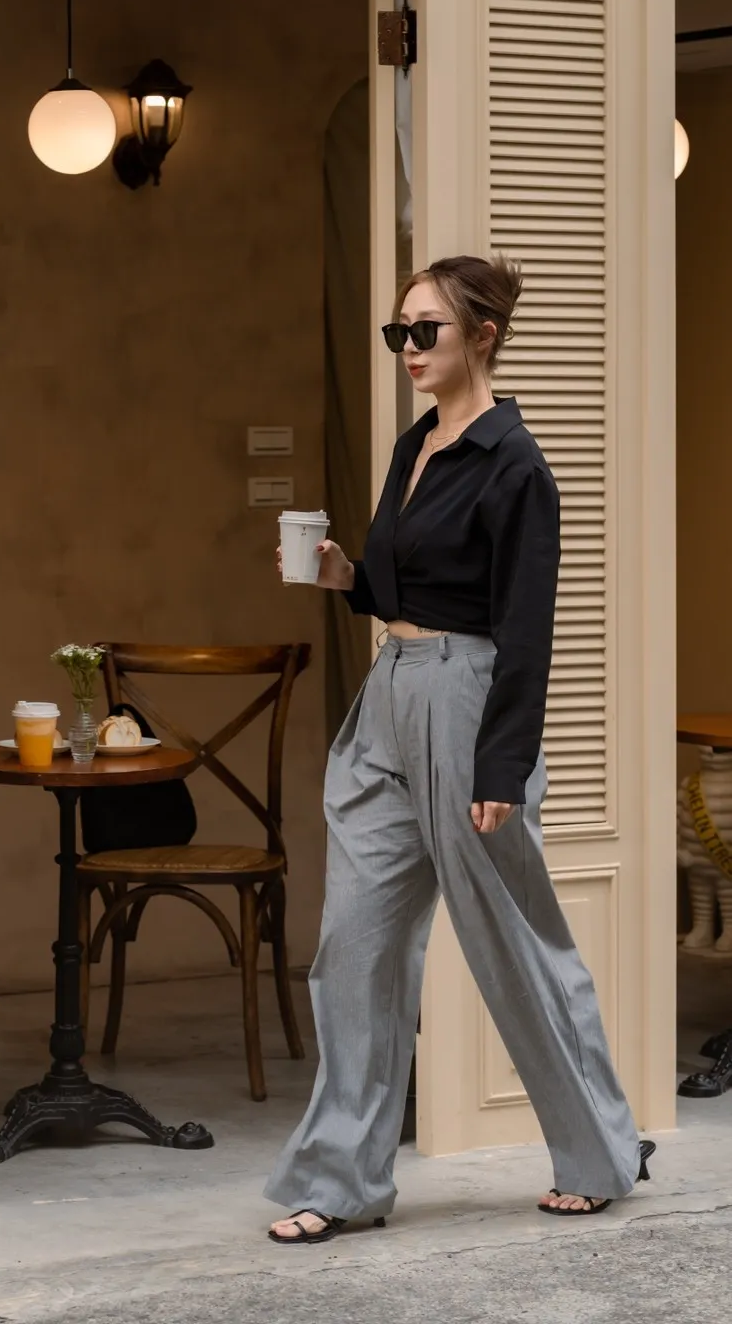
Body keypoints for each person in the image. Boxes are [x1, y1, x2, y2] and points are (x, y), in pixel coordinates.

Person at [265, 255, 654, 1244]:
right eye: (397, 331)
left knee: (514, 946)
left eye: (424, 329)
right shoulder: (415, 444)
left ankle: (598, 1151)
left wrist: (500, 766)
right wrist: (347, 577)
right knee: (352, 947)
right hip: (389, 696)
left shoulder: (515, 465)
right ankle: (340, 1180)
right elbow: (407, 584)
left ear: (482, 335)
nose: (407, 347)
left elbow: (524, 627)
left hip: (467, 703)